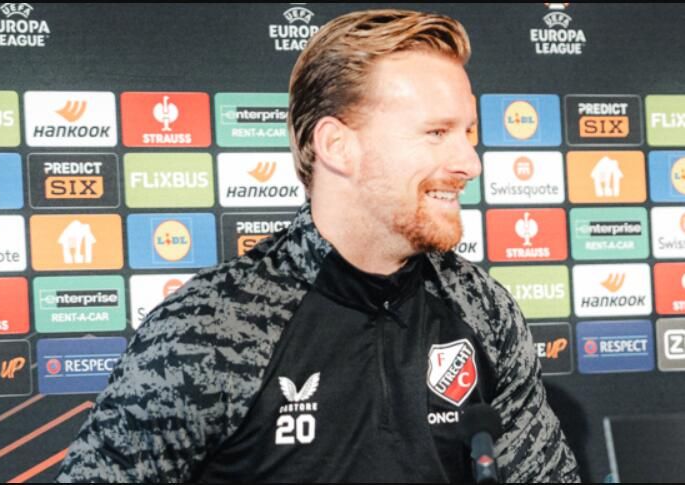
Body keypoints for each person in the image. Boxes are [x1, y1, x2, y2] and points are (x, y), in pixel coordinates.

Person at [56, 9, 580, 483]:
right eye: (437, 133)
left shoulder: (483, 308)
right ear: (337, 146)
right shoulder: (210, 328)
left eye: (468, 132)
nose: (469, 163)